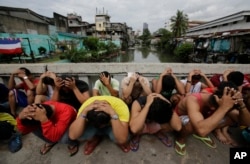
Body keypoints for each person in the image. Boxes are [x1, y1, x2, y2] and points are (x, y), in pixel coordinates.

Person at [174, 82, 250, 156]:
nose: (213, 108)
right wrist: (223, 108)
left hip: (201, 119)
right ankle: (180, 139)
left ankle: (201, 130)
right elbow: (201, 130)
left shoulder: (225, 103)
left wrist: (241, 104)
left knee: (231, 118)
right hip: (181, 118)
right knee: (192, 124)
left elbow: (246, 124)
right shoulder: (193, 99)